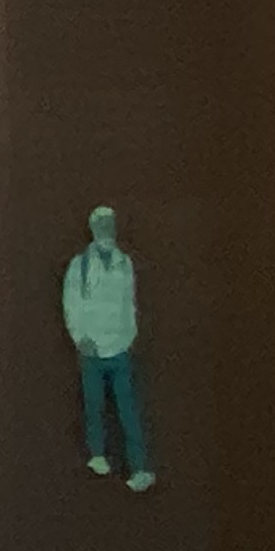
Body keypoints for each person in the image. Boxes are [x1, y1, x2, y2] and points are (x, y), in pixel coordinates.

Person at [64, 204, 155, 489]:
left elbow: (129, 303)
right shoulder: (79, 265)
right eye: (102, 224)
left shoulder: (124, 263)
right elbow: (72, 304)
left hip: (119, 346)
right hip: (91, 348)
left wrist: (129, 336)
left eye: (110, 224)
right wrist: (80, 338)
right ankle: (98, 454)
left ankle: (139, 468)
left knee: (128, 409)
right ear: (93, 229)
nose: (107, 229)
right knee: (95, 405)